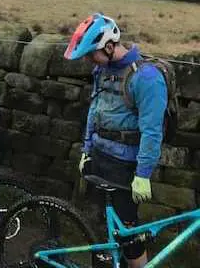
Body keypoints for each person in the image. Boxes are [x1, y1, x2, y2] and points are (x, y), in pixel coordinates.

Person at [66, 13, 166, 268]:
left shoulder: (146, 78)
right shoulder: (102, 69)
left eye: (91, 54)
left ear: (110, 47)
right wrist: (86, 150)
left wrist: (143, 174)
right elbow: (94, 110)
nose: (89, 60)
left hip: (124, 166)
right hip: (99, 158)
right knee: (101, 232)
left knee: (129, 236)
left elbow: (152, 131)